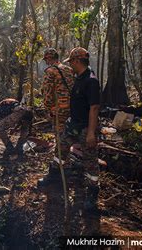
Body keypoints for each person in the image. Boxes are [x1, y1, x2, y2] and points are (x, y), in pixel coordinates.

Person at [38, 47, 101, 212]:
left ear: (77, 61)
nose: (70, 64)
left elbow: (94, 108)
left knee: (90, 162)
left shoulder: (91, 80)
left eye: (71, 61)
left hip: (85, 127)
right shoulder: (77, 77)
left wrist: (91, 133)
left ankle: (92, 194)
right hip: (73, 124)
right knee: (61, 147)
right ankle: (54, 175)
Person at [41, 48, 75, 132]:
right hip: (72, 106)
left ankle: (62, 144)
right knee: (70, 132)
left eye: (46, 60)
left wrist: (48, 110)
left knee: (60, 134)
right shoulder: (69, 69)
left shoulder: (50, 71)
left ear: (49, 58)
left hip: (59, 110)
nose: (46, 62)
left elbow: (47, 93)